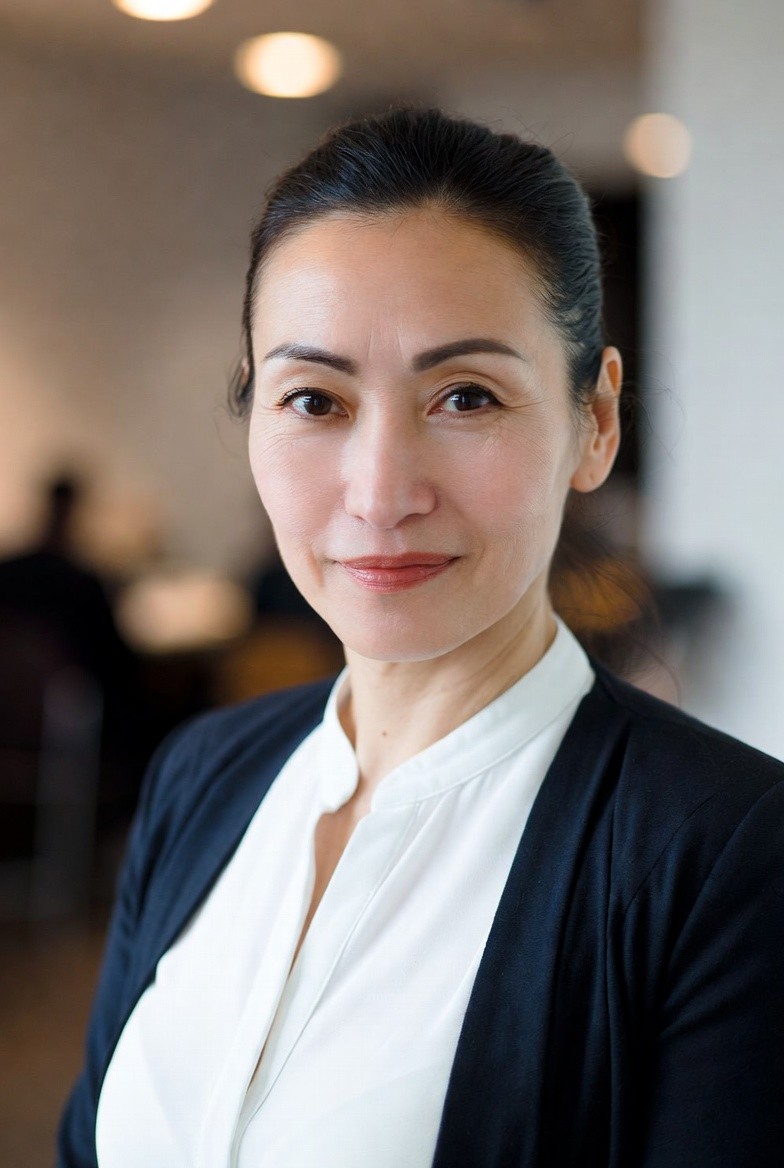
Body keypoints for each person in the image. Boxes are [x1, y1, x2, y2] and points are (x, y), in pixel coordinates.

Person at [58, 107, 784, 1168]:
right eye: (314, 399)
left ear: (595, 421)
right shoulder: (201, 779)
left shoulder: (725, 860)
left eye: (465, 395)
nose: (380, 491)